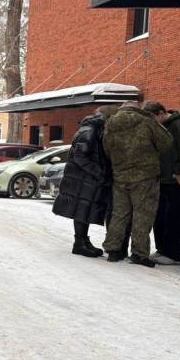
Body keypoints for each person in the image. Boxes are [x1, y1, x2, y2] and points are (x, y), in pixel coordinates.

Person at [101, 101, 173, 267]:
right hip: (145, 176)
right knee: (143, 214)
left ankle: (113, 250)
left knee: (119, 213)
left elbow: (106, 148)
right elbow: (166, 142)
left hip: (120, 175)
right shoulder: (147, 121)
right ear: (137, 108)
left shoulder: (111, 123)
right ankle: (139, 253)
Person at [52, 105, 120, 257]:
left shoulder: (93, 129)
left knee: (84, 209)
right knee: (81, 209)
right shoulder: (90, 131)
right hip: (84, 179)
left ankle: (83, 240)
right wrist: (99, 172)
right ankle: (79, 243)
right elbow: (80, 156)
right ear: (108, 118)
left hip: (86, 179)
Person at [142, 101, 180, 265]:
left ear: (161, 112)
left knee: (177, 217)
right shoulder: (160, 127)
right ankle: (163, 249)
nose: (152, 122)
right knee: (161, 216)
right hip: (165, 179)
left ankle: (174, 254)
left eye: (153, 118)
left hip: (179, 180)